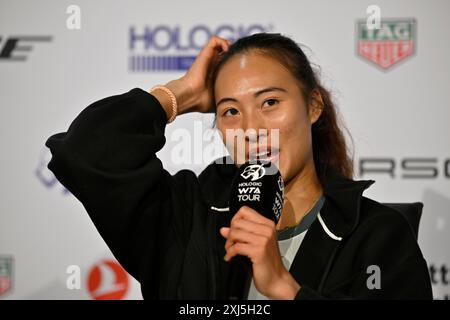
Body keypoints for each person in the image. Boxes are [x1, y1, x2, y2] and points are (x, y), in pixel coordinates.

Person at [45, 33, 432, 299]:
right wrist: (179, 94)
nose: (251, 129)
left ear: (313, 106)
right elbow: (82, 153)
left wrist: (286, 289)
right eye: (230, 111)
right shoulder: (188, 215)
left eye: (270, 103)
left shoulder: (378, 236)